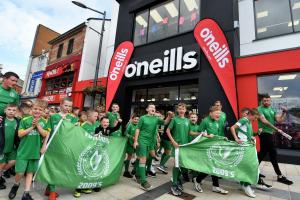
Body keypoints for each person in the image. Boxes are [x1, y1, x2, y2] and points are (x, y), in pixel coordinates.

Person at [8, 99, 49, 200]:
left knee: (30, 172)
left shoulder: (44, 121)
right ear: (32, 109)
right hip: (23, 151)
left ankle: (26, 193)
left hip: (35, 152)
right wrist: (32, 127)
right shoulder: (25, 120)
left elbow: (45, 134)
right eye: (35, 109)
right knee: (20, 173)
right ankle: (16, 185)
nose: (37, 111)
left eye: (40, 109)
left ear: (43, 111)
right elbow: (20, 134)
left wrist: (38, 125)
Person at [43, 98, 79, 200]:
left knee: (59, 168)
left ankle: (49, 188)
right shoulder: (53, 116)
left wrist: (76, 127)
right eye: (66, 105)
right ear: (60, 105)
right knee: (52, 167)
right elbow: (48, 131)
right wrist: (44, 145)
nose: (67, 108)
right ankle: (53, 193)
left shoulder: (73, 118)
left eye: (69, 106)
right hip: (53, 146)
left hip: (65, 147)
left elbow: (75, 134)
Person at [191, 106, 229, 195]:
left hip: (215, 147)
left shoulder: (218, 121)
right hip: (207, 147)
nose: (219, 115)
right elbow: (199, 133)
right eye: (217, 113)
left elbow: (217, 134)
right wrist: (207, 135)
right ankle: (198, 180)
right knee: (211, 166)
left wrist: (223, 138)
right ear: (211, 113)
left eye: (219, 113)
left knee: (214, 166)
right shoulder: (205, 121)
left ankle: (214, 186)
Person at [257, 94, 293, 185]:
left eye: (267, 100)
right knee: (273, 153)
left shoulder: (272, 109)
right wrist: (276, 129)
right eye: (264, 100)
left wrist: (284, 112)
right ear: (262, 101)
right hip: (264, 133)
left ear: (270, 101)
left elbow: (279, 120)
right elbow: (264, 121)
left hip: (270, 133)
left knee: (262, 154)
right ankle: (279, 176)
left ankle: (253, 171)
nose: (266, 102)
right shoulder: (259, 109)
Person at [133, 104, 170, 191]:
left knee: (147, 157)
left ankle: (137, 174)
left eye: (154, 107)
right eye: (151, 107)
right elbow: (138, 129)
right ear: (147, 109)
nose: (153, 108)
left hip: (151, 142)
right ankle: (143, 182)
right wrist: (135, 141)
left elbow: (165, 122)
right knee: (143, 159)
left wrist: (169, 116)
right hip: (142, 140)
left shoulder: (156, 118)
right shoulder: (143, 118)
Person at [230, 108, 260, 198]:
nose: (255, 119)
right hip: (243, 147)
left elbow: (247, 134)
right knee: (248, 166)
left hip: (247, 146)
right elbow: (232, 128)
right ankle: (246, 186)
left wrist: (252, 136)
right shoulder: (244, 119)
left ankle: (244, 185)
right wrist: (236, 138)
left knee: (246, 166)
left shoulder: (249, 121)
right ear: (250, 115)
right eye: (255, 117)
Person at [166, 103, 191, 196]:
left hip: (185, 146)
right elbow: (167, 130)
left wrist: (201, 134)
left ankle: (177, 179)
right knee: (177, 165)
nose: (181, 110)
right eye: (179, 109)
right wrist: (173, 142)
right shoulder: (175, 119)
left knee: (184, 166)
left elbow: (190, 132)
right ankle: (174, 184)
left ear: (185, 110)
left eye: (183, 108)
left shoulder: (187, 120)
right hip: (177, 146)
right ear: (177, 110)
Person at [73, 109, 99, 198]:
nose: (97, 117)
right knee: (80, 170)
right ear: (89, 116)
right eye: (95, 116)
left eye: (97, 116)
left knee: (87, 169)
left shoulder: (95, 125)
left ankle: (84, 187)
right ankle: (77, 189)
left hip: (91, 151)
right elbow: (80, 138)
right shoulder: (83, 125)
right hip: (83, 151)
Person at [0, 104, 19, 189]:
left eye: (14, 110)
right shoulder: (1, 120)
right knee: (2, 163)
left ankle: (2, 172)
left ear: (16, 111)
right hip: (2, 147)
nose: (11, 111)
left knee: (13, 161)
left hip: (12, 147)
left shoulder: (18, 121)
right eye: (9, 109)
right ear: (5, 111)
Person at [123, 114, 139, 178]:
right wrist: (131, 137)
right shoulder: (130, 125)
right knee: (129, 157)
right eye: (135, 119)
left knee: (138, 157)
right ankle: (126, 171)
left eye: (138, 119)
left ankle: (134, 170)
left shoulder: (139, 126)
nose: (136, 120)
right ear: (132, 119)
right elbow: (125, 133)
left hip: (137, 143)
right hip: (130, 144)